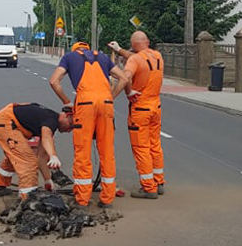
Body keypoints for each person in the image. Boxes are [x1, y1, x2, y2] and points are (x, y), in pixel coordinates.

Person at [49, 41, 128, 210]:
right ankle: (107, 199)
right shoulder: (104, 57)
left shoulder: (69, 57)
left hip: (85, 104)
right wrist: (111, 97)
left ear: (75, 50)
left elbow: (54, 81)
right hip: (106, 103)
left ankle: (82, 199)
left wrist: (67, 102)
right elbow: (124, 78)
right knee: (107, 151)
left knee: (83, 151)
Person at [109, 31, 166, 199]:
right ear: (147, 42)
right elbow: (140, 59)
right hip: (156, 106)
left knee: (141, 148)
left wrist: (114, 97)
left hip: (140, 109)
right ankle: (158, 181)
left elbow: (125, 78)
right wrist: (119, 50)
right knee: (155, 145)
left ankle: (149, 188)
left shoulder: (134, 60)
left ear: (133, 45)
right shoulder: (157, 56)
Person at [0, 103, 74, 200]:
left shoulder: (48, 121)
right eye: (70, 125)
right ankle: (28, 199)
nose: (69, 130)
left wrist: (47, 180)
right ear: (65, 116)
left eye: (72, 128)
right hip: (5, 123)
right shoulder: (51, 121)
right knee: (28, 161)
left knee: (16, 155)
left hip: (3, 121)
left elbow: (42, 157)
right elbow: (46, 137)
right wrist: (53, 156)